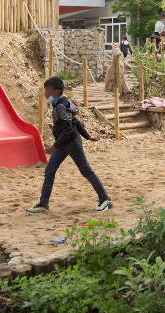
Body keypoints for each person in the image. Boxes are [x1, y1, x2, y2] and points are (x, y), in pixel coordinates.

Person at [27, 77, 113, 213]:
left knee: (86, 170)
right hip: (63, 144)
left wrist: (55, 146)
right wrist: (88, 136)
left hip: (72, 143)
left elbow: (69, 128)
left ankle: (105, 200)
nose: (45, 94)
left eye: (48, 91)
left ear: (57, 91)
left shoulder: (61, 106)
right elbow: (75, 122)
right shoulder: (60, 103)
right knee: (49, 170)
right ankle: (43, 204)